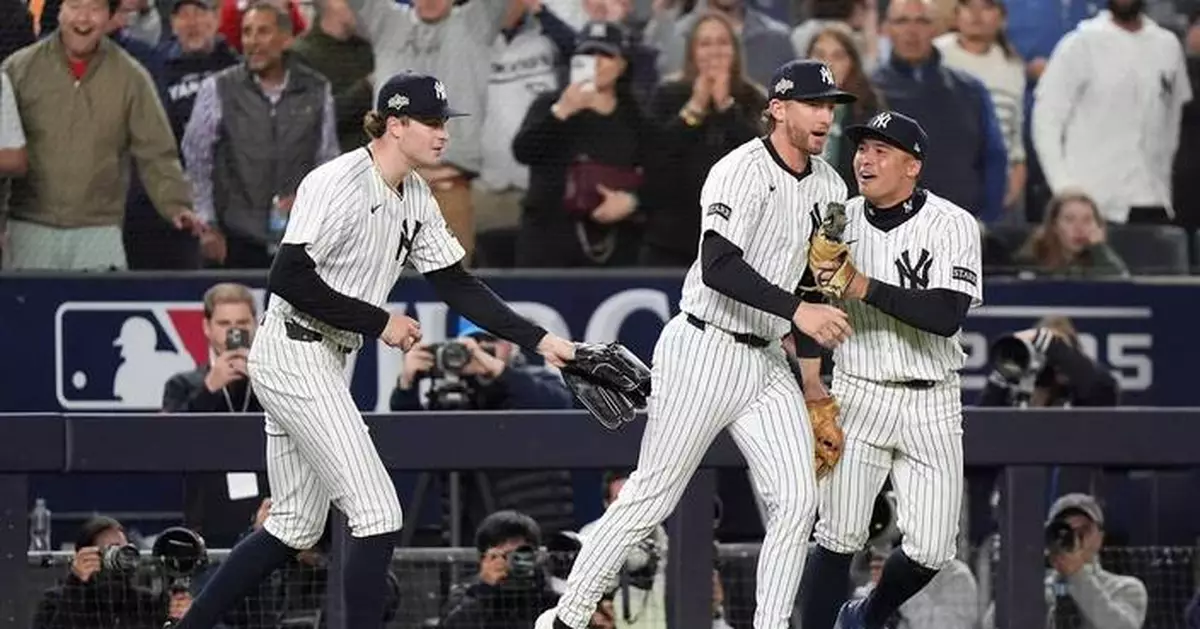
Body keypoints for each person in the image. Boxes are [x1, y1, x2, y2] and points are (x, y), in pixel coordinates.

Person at [168, 71, 577, 629]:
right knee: (379, 513)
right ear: (395, 123)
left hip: (326, 358)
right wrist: (377, 319)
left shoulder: (415, 195)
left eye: (444, 124)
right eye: (430, 123)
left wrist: (543, 340)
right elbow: (288, 276)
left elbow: (457, 284)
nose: (442, 135)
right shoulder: (337, 181)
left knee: (292, 525)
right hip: (294, 349)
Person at [535, 59, 854, 629]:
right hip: (705, 346)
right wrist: (800, 309)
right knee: (649, 499)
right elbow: (718, 267)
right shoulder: (740, 170)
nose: (825, 116)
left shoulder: (830, 185)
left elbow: (810, 279)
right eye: (813, 104)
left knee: (799, 503)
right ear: (778, 109)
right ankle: (568, 617)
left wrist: (809, 377)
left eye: (830, 106)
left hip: (765, 359)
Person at [793, 110, 983, 629]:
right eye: (861, 149)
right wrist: (812, 384)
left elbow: (946, 315)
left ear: (912, 165)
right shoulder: (837, 221)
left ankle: (868, 614)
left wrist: (863, 287)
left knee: (933, 549)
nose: (865, 159)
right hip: (859, 391)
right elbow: (807, 306)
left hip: (932, 396)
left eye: (881, 150)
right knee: (837, 536)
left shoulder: (952, 223)